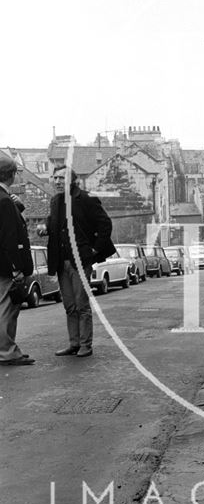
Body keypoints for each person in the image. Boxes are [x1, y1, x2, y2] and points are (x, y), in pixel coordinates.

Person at [39, 165, 115, 357]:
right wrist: (45, 227)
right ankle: (73, 343)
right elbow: (54, 222)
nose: (57, 181)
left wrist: (95, 248)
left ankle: (85, 345)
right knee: (69, 306)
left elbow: (105, 223)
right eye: (55, 178)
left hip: (81, 260)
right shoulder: (55, 201)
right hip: (61, 261)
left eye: (61, 178)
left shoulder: (86, 199)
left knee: (82, 304)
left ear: (72, 180)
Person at [0, 157, 35, 366]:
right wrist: (16, 268)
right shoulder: (4, 200)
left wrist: (17, 209)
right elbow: (9, 237)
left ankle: (6, 349)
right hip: (6, 265)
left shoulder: (6, 199)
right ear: (11, 175)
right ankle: (7, 352)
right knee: (7, 309)